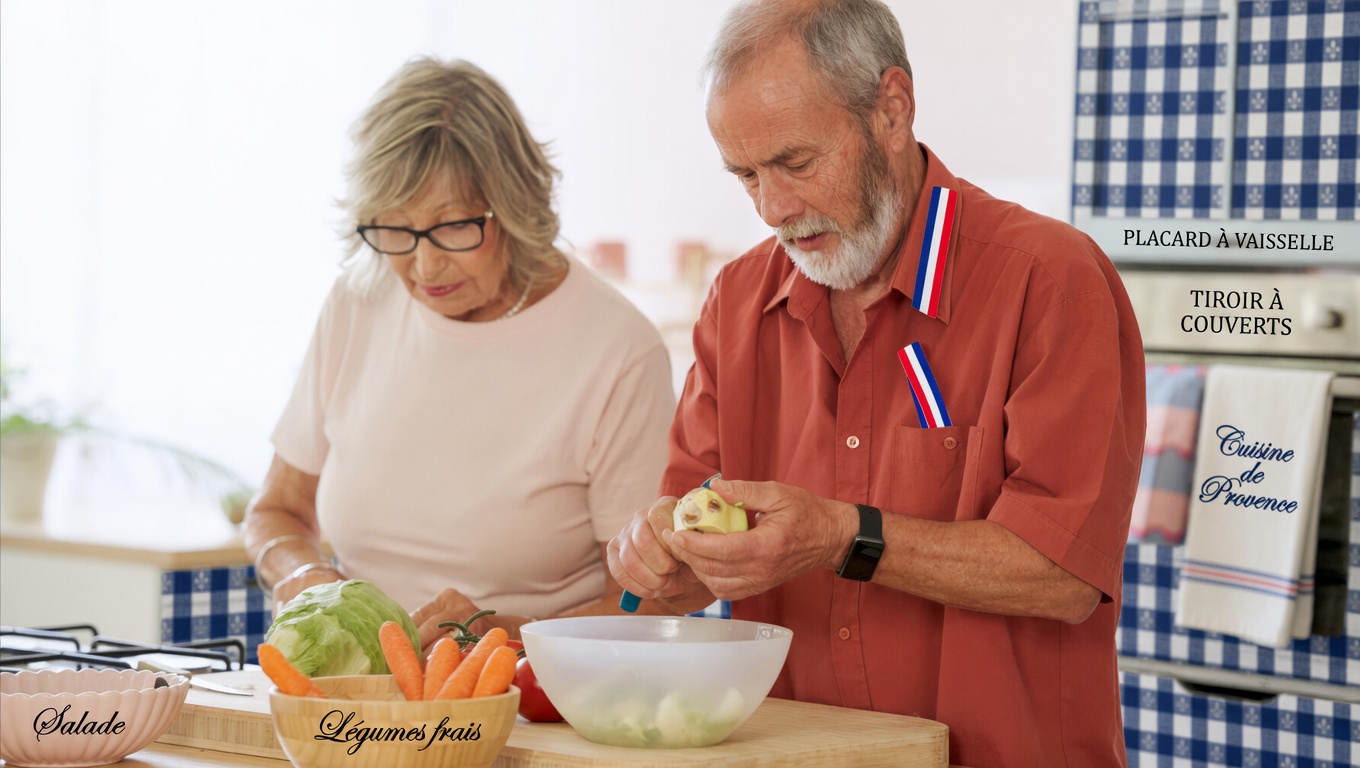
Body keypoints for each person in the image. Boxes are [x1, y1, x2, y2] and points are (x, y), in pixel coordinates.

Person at [606, 1, 1145, 766]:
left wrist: (837, 535)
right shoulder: (735, 303)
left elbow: (1063, 573)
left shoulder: (1049, 279)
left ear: (892, 108)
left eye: (796, 162)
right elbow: (688, 571)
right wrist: (655, 558)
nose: (774, 208)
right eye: (746, 176)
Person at [245, 57, 676, 653]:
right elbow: (277, 509)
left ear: (516, 207)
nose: (423, 267)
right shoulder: (360, 299)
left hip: (527, 699)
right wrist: (303, 577)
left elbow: (644, 603)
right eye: (393, 229)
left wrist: (512, 638)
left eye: (452, 228)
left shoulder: (618, 351)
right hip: (358, 694)